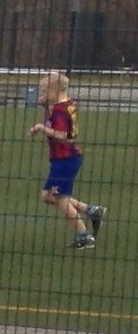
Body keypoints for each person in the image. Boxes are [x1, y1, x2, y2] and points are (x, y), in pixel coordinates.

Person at [31, 75, 103, 250]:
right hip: (64, 157)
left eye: (45, 91)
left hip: (65, 158)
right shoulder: (68, 104)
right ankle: (91, 210)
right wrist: (45, 108)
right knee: (48, 196)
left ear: (55, 89)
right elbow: (53, 123)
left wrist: (40, 127)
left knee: (58, 197)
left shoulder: (60, 110)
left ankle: (84, 236)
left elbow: (61, 134)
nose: (43, 94)